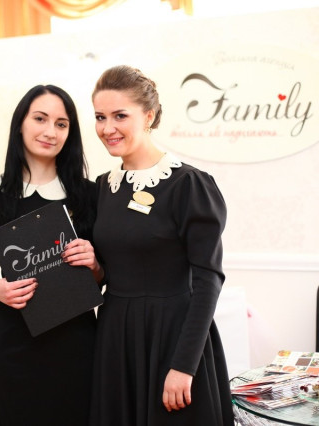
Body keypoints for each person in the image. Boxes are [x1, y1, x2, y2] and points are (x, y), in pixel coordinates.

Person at [88, 65, 234, 426]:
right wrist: (94, 268)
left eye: (120, 115)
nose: (107, 128)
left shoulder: (189, 185)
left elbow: (208, 281)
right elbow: (107, 270)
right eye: (100, 117)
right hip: (115, 338)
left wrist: (184, 366)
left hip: (173, 338)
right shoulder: (102, 188)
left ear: (149, 116)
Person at [0, 84, 103, 425]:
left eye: (61, 124)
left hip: (76, 344)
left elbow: (104, 276)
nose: (50, 131)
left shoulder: (89, 195)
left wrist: (94, 263)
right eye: (40, 119)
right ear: (20, 124)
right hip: (14, 346)